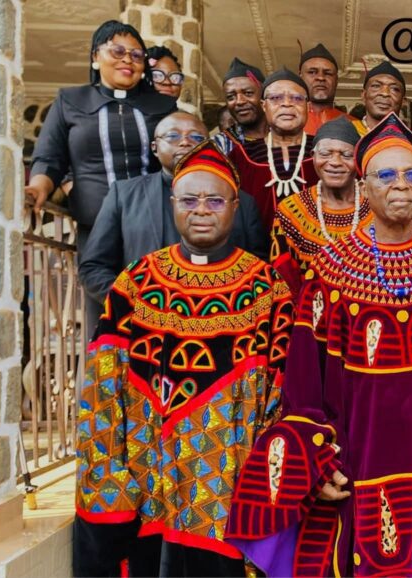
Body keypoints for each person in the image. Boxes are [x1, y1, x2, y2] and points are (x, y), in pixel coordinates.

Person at [225, 112, 412, 577]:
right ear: (365, 186)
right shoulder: (331, 265)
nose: (401, 184)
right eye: (386, 174)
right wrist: (315, 458)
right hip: (363, 462)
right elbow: (305, 380)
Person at [74, 140, 293, 577]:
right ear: (173, 204)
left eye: (215, 199)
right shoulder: (135, 282)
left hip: (229, 485)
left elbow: (281, 392)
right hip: (145, 478)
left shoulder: (267, 289)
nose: (202, 209)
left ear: (235, 206)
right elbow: (103, 385)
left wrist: (257, 481)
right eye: (189, 199)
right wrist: (110, 472)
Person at [26, 20, 176, 337]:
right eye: (117, 50)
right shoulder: (70, 101)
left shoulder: (162, 106)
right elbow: (49, 158)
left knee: (156, 311)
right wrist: (38, 188)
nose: (127, 59)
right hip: (97, 230)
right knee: (105, 317)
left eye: (137, 55)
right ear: (96, 57)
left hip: (154, 226)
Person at [80, 113, 267, 303]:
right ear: (154, 147)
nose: (185, 142)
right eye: (173, 136)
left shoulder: (241, 200)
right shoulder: (124, 194)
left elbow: (259, 266)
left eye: (196, 137)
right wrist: (134, 303)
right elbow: (94, 267)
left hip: (224, 316)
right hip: (141, 321)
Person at [269, 116, 371, 293]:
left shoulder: (376, 206)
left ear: (358, 160)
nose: (335, 162)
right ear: (313, 157)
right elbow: (283, 278)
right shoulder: (291, 210)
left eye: (346, 155)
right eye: (325, 154)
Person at [226, 67, 316, 231]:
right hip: (258, 253)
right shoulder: (241, 157)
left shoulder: (324, 151)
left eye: (296, 98)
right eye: (276, 98)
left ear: (308, 106)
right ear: (264, 106)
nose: (287, 104)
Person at [215, 57, 269, 153]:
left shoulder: (287, 135)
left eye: (248, 93)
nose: (239, 101)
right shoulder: (219, 145)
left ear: (264, 95)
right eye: (231, 97)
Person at [299, 43, 352, 135]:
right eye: (312, 72)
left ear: (336, 81)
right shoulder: (284, 121)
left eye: (328, 73)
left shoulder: (354, 125)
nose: (320, 77)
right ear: (300, 78)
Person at [354, 61, 405, 135]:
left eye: (394, 89)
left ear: (403, 101)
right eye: (376, 86)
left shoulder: (409, 142)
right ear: (364, 95)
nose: (385, 93)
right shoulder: (345, 133)